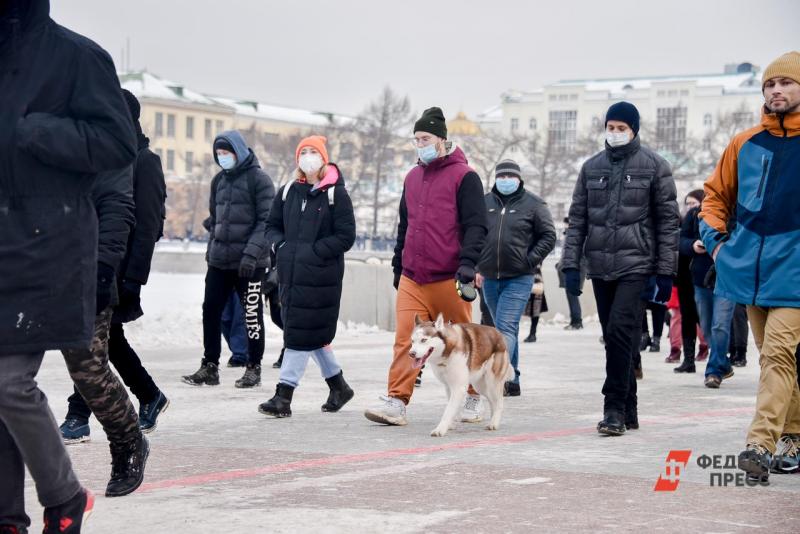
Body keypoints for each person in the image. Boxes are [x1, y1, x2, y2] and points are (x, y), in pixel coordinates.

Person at [0, 0, 139, 529]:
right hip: (5, 244)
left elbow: (117, 142)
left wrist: (39, 133)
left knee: (8, 383)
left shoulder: (76, 57)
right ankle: (8, 516)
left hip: (47, 245)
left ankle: (63, 497)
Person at [699, 51, 800, 481]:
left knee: (778, 354)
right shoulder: (744, 143)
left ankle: (759, 444)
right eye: (769, 85)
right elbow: (714, 199)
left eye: (786, 83)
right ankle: (794, 435)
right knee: (776, 361)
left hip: (794, 272)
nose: (776, 91)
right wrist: (719, 247)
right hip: (749, 272)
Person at [364, 107, 488, 426]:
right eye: (417, 139)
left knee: (462, 341)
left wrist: (467, 264)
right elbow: (404, 227)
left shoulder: (466, 177)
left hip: (450, 277)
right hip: (413, 276)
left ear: (443, 140)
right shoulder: (412, 178)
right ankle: (396, 401)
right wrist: (397, 264)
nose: (421, 144)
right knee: (407, 338)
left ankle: (473, 395)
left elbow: (476, 226)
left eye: (426, 138)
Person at [562, 101, 679, 436]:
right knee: (618, 338)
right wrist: (572, 265)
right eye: (610, 127)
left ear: (634, 130)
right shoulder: (591, 167)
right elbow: (578, 220)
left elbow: (668, 223)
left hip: (636, 265)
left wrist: (665, 271)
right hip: (600, 266)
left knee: (618, 332)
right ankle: (630, 407)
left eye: (621, 128)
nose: (615, 133)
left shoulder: (655, 166)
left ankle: (612, 408)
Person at [61, 89, 169, 442]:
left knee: (96, 342)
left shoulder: (144, 160)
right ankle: (150, 395)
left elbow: (149, 224)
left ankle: (78, 415)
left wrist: (135, 277)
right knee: (107, 341)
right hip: (96, 262)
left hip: (120, 270)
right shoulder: (105, 159)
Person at [259, 136, 356, 417]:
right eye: (304, 152)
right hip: (291, 276)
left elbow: (345, 236)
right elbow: (271, 225)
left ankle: (283, 396)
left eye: (314, 152)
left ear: (324, 158)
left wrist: (313, 252)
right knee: (309, 335)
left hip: (321, 278)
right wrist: (282, 246)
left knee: (298, 336)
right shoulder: (288, 190)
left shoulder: (336, 194)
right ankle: (339, 387)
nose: (309, 156)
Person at [182, 131, 275, 388]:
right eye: (219, 154)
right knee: (210, 310)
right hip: (220, 262)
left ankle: (253, 367)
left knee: (252, 315)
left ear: (239, 152)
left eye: (226, 153)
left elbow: (266, 222)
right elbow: (215, 219)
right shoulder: (218, 181)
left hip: (251, 265)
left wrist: (251, 254)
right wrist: (212, 249)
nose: (222, 158)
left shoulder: (260, 180)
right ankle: (210, 365)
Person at [476, 159, 556, 397]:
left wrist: (530, 260)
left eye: (510, 177)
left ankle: (495, 376)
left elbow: (549, 236)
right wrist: (478, 266)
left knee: (504, 329)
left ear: (519, 179)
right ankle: (514, 379)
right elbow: (473, 233)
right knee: (504, 328)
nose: (505, 181)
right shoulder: (484, 202)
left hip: (519, 277)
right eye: (502, 177)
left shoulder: (534, 204)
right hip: (490, 277)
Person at [682, 200, 736, 387]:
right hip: (700, 278)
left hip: (727, 278)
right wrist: (693, 245)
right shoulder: (695, 214)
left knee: (720, 325)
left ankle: (713, 372)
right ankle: (723, 363)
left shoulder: (737, 212)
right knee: (706, 326)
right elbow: (681, 240)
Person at [674, 190, 709, 369]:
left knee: (707, 318)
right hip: (685, 273)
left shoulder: (712, 215)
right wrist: (692, 245)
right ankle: (688, 359)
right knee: (687, 316)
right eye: (687, 204)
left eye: (693, 203)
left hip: (705, 275)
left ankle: (721, 355)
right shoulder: (688, 218)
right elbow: (681, 241)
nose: (690, 207)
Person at [556, 217, 585, 330]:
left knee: (573, 296)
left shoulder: (575, 237)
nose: (564, 226)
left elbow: (579, 256)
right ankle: (575, 320)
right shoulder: (569, 236)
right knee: (571, 296)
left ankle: (577, 321)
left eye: (566, 224)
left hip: (573, 271)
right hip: (568, 269)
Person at [221, 290, 250, 367]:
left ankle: (240, 355)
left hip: (242, 281)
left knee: (239, 319)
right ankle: (240, 350)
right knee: (224, 318)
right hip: (223, 282)